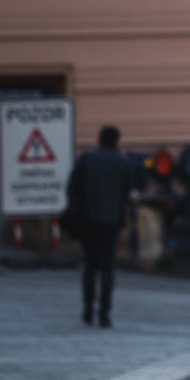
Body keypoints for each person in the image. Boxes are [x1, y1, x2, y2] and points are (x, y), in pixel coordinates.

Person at [65, 125, 133, 328]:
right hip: (111, 223)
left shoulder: (86, 159)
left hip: (88, 221)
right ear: (116, 141)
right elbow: (127, 192)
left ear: (98, 139)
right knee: (107, 269)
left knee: (89, 267)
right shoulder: (122, 163)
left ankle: (87, 309)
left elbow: (72, 188)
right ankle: (104, 313)